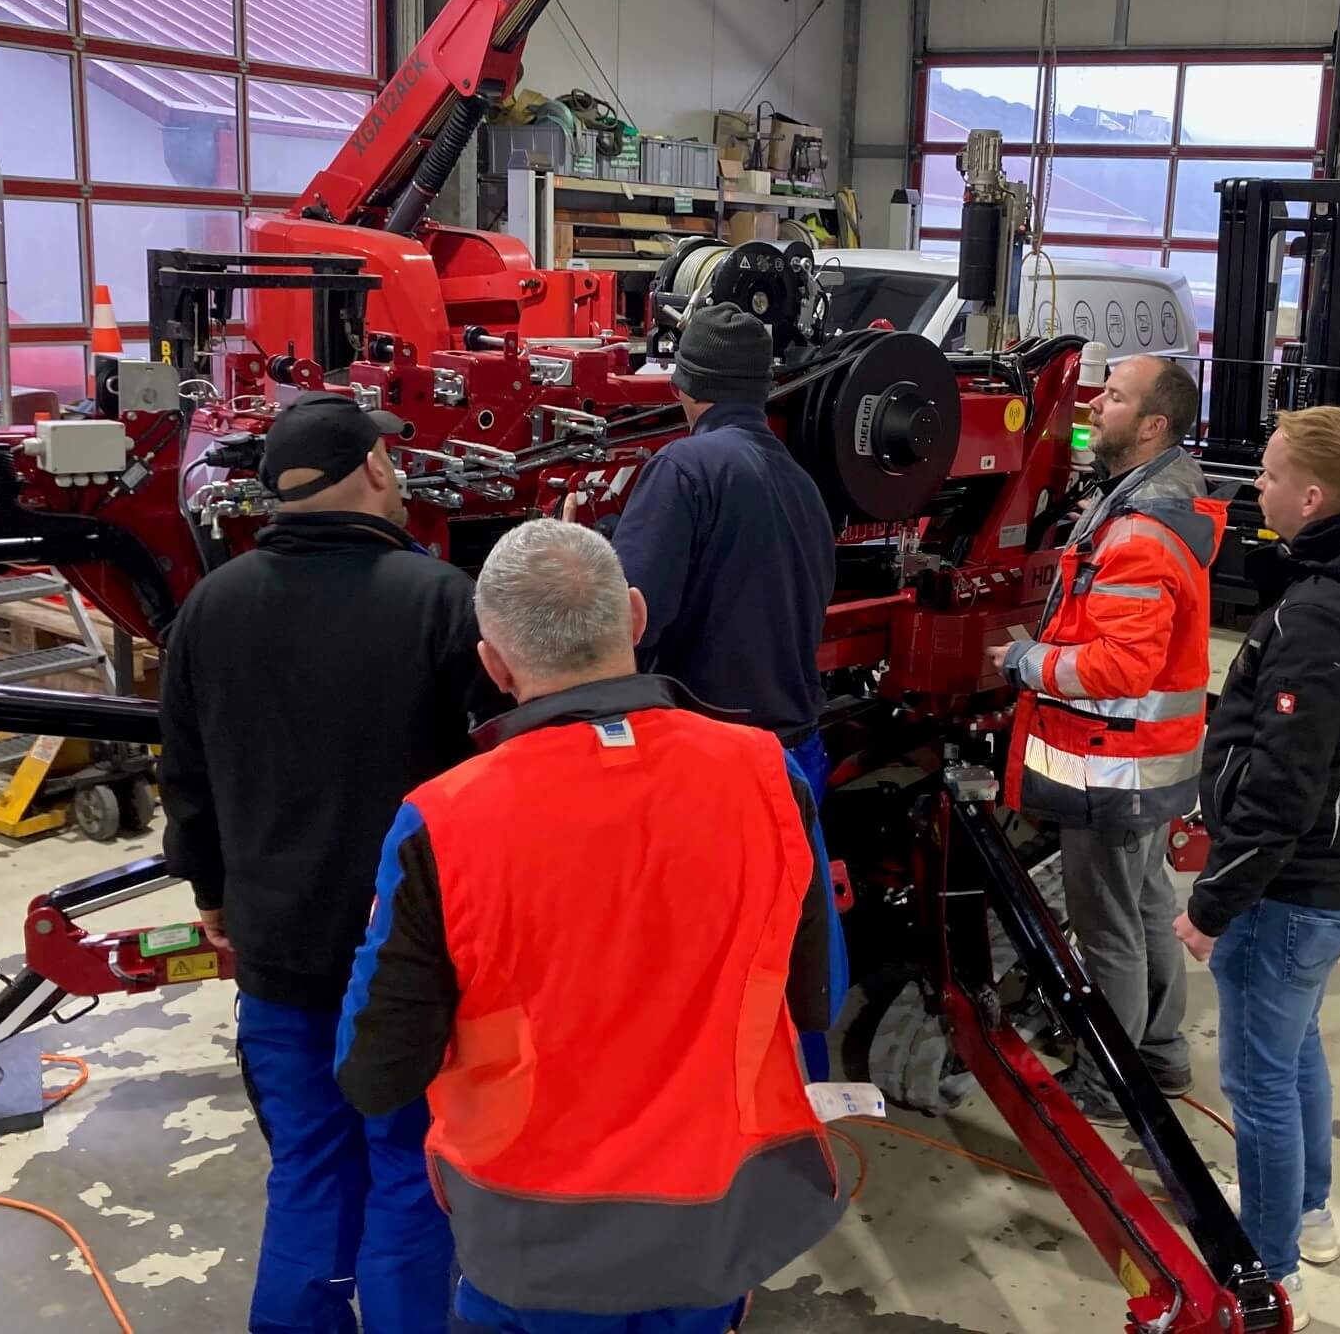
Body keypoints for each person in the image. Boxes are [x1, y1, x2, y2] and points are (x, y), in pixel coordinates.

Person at [334, 520, 844, 1334]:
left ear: (495, 665)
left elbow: (375, 1073)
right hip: (713, 1221)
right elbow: (818, 998)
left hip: (532, 1244)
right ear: (636, 616)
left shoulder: (441, 822)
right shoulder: (767, 773)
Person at [160, 393, 491, 1333]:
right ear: (378, 469)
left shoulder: (210, 607)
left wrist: (212, 892)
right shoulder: (442, 601)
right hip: (409, 964)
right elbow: (493, 788)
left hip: (277, 949)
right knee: (409, 1170)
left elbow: (185, 772)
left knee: (307, 1166)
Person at [1173, 406, 1340, 1331]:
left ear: (1313, 498)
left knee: (1258, 1082)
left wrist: (1211, 904)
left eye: (1271, 475)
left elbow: (1282, 791)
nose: (1257, 486)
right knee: (1296, 1047)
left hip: (1287, 890)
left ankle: (1270, 1272)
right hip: (1333, 877)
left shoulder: (1319, 619)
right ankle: (1308, 1214)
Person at [609, 301, 846, 1072]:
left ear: (684, 386)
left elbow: (630, 620)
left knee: (708, 978)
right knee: (790, 958)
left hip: (714, 767)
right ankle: (799, 1113)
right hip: (796, 753)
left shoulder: (683, 470)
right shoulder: (802, 484)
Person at [989, 354, 1225, 1122]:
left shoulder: (1138, 533)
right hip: (1147, 766)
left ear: (1153, 426)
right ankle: (1159, 1055)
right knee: (1147, 907)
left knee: (1109, 933)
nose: (1094, 403)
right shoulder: (1152, 504)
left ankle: (1109, 1083)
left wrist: (1025, 662)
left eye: (1115, 397)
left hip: (1111, 768)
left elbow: (1121, 667)